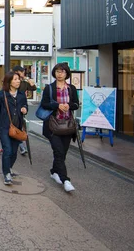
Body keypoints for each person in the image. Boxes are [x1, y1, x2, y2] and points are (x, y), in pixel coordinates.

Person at [41, 63, 80, 193]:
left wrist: (69, 105)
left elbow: (76, 104)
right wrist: (57, 105)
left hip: (67, 126)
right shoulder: (50, 88)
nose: (60, 74)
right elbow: (44, 104)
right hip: (53, 125)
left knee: (62, 152)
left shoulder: (71, 88)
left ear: (66, 74)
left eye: (62, 72)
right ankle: (66, 180)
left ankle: (54, 171)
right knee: (58, 151)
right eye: (57, 71)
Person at [0, 71, 28, 185]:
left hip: (17, 127)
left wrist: (24, 109)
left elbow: (25, 106)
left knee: (14, 152)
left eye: (18, 79)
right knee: (8, 149)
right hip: (3, 126)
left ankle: (8, 167)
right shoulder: (2, 94)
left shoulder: (21, 95)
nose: (18, 81)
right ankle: (6, 174)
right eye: (15, 79)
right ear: (9, 82)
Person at [13, 66, 37, 156]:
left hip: (21, 106)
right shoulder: (10, 80)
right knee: (13, 126)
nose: (23, 74)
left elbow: (33, 88)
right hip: (12, 106)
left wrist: (27, 79)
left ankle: (21, 145)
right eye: (22, 72)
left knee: (19, 126)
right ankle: (19, 145)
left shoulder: (23, 83)